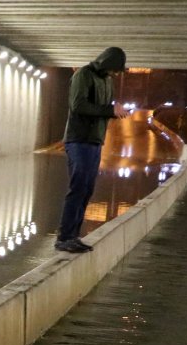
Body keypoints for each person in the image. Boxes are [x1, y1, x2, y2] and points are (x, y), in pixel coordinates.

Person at [56, 46, 131, 253]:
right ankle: (64, 238)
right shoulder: (83, 75)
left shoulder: (107, 81)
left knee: (87, 190)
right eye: (115, 69)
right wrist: (109, 110)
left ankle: (73, 236)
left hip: (95, 141)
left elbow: (103, 108)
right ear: (107, 63)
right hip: (78, 140)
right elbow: (78, 105)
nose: (115, 74)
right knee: (78, 187)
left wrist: (114, 111)